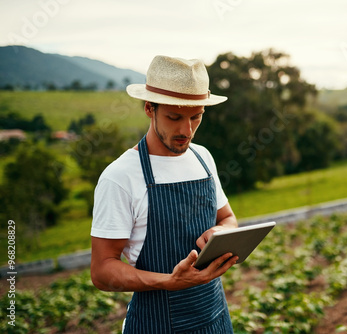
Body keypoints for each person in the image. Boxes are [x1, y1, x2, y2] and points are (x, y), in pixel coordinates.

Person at [90, 55, 239, 333]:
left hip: (216, 318)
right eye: (174, 117)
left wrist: (221, 232)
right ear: (149, 108)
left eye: (196, 117)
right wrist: (168, 281)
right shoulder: (120, 176)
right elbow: (102, 271)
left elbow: (229, 218)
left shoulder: (203, 158)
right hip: (155, 324)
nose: (187, 130)